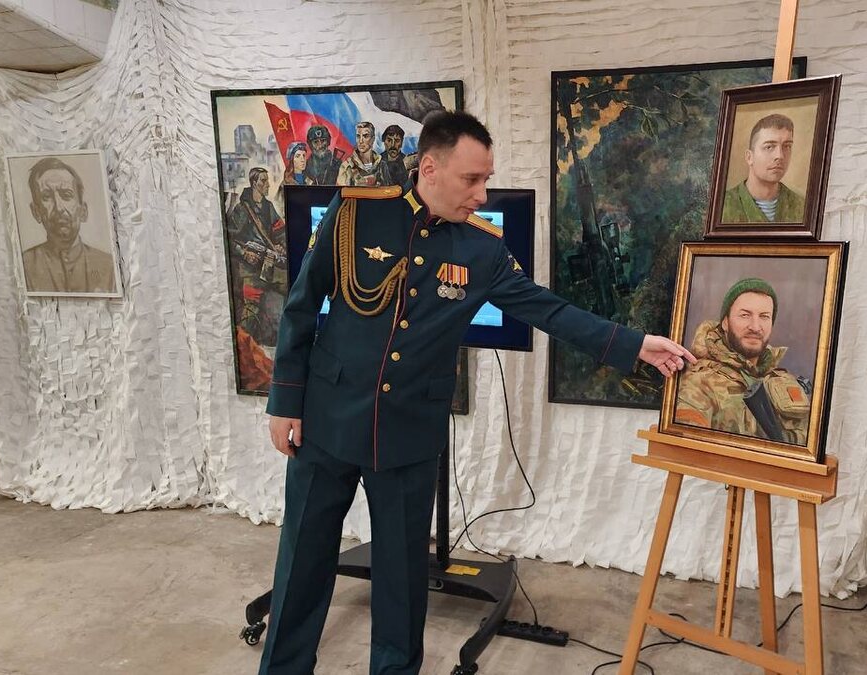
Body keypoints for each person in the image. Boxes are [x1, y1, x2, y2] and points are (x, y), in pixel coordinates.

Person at [260, 111, 695, 675]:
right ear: (430, 168)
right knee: (301, 565)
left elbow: (547, 310)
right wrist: (284, 401)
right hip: (327, 419)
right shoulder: (356, 214)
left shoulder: (482, 249)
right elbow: (301, 307)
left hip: (409, 435)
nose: (482, 194)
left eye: (486, 179)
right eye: (472, 180)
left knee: (402, 584)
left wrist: (634, 345)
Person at [675, 278, 811, 446]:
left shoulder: (784, 381)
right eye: (745, 315)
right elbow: (687, 447)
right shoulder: (699, 383)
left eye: (764, 317)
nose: (755, 326)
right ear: (725, 322)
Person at [20, 157, 116, 294]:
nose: (59, 208)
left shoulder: (109, 267)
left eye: (66, 195)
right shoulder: (24, 266)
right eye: (46, 197)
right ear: (36, 212)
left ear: (83, 211)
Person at [226, 167, 287, 347]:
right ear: (254, 183)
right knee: (251, 309)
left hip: (268, 264)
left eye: (267, 180)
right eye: (263, 181)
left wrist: (281, 246)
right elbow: (229, 238)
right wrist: (244, 253)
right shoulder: (242, 210)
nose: (267, 185)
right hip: (250, 268)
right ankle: (244, 347)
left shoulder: (268, 207)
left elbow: (280, 231)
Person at [720, 114, 806, 223]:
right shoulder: (722, 206)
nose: (780, 156)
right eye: (769, 147)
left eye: (787, 146)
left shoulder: (802, 207)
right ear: (749, 157)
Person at [337, 121, 382, 187]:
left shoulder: (381, 164)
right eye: (358, 136)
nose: (361, 141)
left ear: (373, 139)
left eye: (365, 136)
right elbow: (342, 191)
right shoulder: (347, 166)